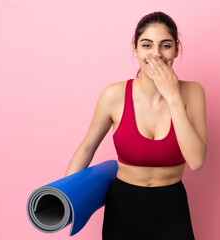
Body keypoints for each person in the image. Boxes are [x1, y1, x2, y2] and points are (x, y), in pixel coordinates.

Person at [65, 11, 208, 240]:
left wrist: (172, 96)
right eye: (147, 45)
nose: (156, 54)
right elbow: (86, 149)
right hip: (123, 208)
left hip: (172, 208)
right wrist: (66, 196)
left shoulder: (193, 93)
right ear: (135, 48)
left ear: (176, 49)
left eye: (166, 45)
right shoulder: (114, 95)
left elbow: (196, 161)